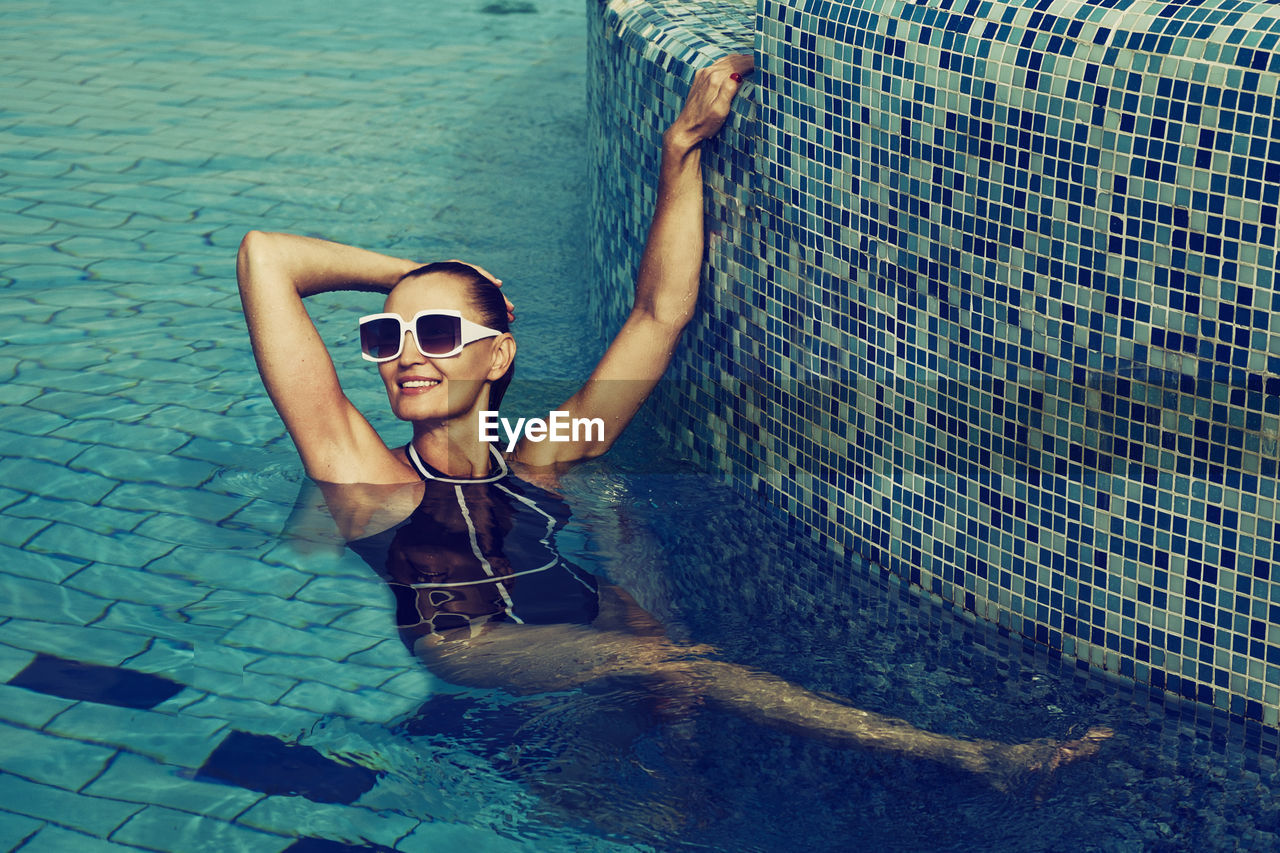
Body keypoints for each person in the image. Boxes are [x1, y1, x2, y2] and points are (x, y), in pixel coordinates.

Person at [237, 53, 1107, 798]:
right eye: (385, 336)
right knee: (677, 668)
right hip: (478, 644)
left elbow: (658, 315)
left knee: (661, 712)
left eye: (433, 332)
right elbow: (266, 257)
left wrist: (678, 150)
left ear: (498, 356)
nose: (405, 355)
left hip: (587, 626)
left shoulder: (540, 459)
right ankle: (978, 757)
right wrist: (431, 274)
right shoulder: (368, 483)